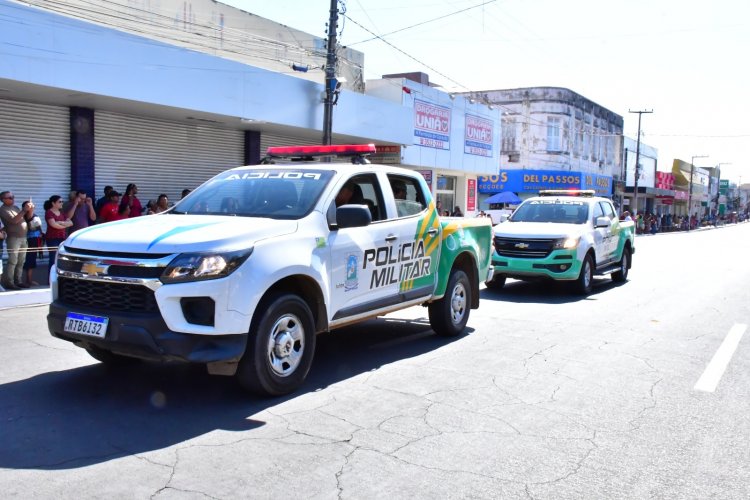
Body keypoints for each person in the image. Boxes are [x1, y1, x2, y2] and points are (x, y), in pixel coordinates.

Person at [0, 191, 33, 289]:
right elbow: (14, 220)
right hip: (13, 238)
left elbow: (27, 218)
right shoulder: (3, 209)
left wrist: (30, 210)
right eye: (10, 198)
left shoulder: (15, 207)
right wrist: (24, 210)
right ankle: (10, 282)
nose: (13, 199)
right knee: (13, 261)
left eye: (13, 197)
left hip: (23, 237)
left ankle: (18, 280)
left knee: (21, 261)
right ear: (3, 200)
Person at [44, 195, 73, 272]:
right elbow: (54, 225)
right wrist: (64, 225)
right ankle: (50, 279)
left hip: (62, 238)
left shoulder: (62, 213)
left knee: (62, 258)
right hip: (52, 239)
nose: (61, 203)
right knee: (53, 258)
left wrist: (60, 222)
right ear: (53, 203)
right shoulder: (49, 212)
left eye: (62, 201)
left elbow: (70, 223)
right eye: (59, 202)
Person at [22, 200, 43, 286]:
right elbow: (30, 218)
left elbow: (38, 227)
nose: (32, 206)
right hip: (30, 239)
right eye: (29, 205)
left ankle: (29, 280)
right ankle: (27, 280)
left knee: (32, 259)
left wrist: (41, 234)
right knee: (29, 259)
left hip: (36, 239)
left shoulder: (34, 215)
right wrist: (30, 209)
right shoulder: (26, 215)